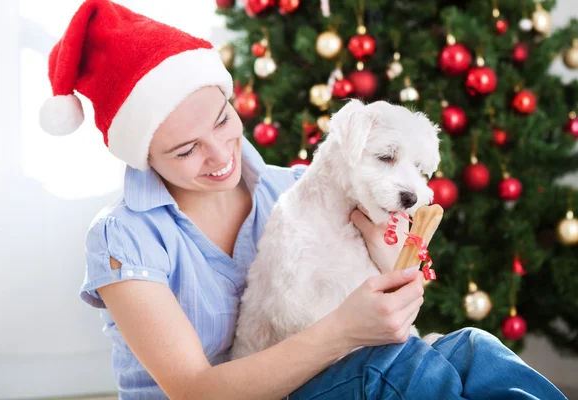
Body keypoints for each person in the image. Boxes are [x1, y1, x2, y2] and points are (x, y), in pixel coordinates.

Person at [39, 1, 568, 399]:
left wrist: (398, 266)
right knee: (395, 370)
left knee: (473, 348)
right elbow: (195, 392)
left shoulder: (290, 187)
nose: (220, 152)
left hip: (329, 378)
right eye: (185, 149)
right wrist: (344, 331)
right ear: (143, 156)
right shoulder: (125, 238)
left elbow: (403, 269)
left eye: (223, 119)